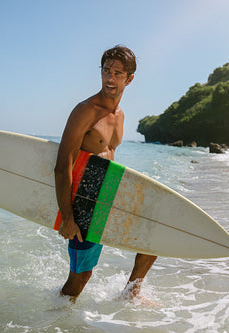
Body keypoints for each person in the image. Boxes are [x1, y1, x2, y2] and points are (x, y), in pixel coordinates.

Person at [54, 45, 157, 302]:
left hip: (109, 188)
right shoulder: (85, 110)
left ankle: (132, 294)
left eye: (117, 73)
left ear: (129, 78)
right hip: (85, 197)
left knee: (152, 237)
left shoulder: (120, 115)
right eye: (106, 71)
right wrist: (68, 216)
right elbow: (62, 163)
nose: (110, 78)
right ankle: (57, 318)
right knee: (81, 276)